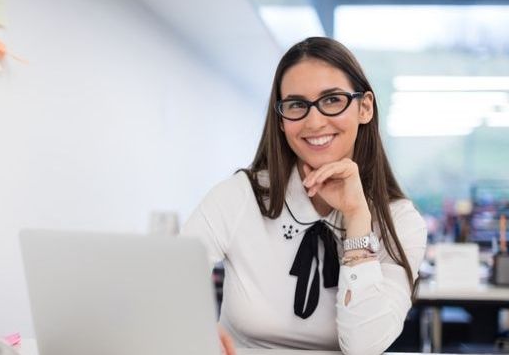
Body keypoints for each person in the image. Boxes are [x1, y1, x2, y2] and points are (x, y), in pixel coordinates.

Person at [180, 37, 427, 355]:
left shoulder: (400, 221)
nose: (314, 121)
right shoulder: (241, 195)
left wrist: (356, 216)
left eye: (332, 100)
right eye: (297, 105)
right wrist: (195, 329)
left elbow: (365, 346)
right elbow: (168, 286)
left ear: (364, 107)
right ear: (281, 120)